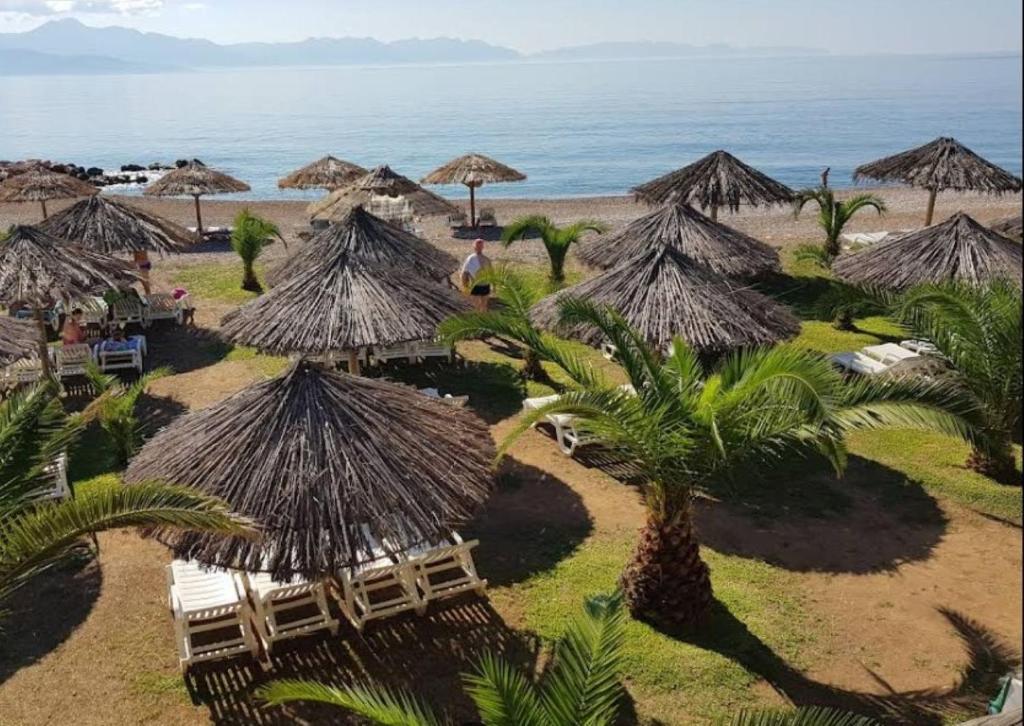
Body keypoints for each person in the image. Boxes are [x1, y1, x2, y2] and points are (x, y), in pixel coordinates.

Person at [460, 238, 492, 312]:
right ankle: (478, 320)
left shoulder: (486, 259)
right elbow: (464, 273)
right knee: (477, 307)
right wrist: (465, 286)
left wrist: (494, 285)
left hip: (485, 285)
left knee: (484, 307)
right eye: (477, 246)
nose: (479, 248)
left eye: (480, 246)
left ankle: (484, 321)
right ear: (474, 247)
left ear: (482, 247)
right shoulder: (470, 259)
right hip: (475, 285)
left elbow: (491, 271)